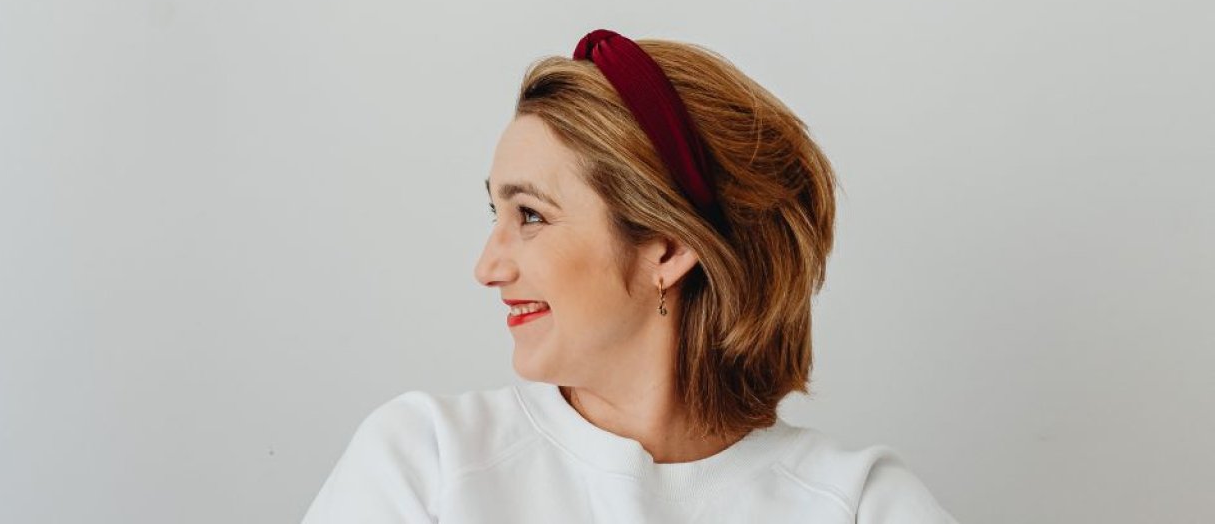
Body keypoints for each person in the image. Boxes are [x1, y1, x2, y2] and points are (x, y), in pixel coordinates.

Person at [303, 30, 955, 523]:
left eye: (530, 215)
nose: (488, 266)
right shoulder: (428, 460)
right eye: (495, 211)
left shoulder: (860, 507)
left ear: (667, 247)